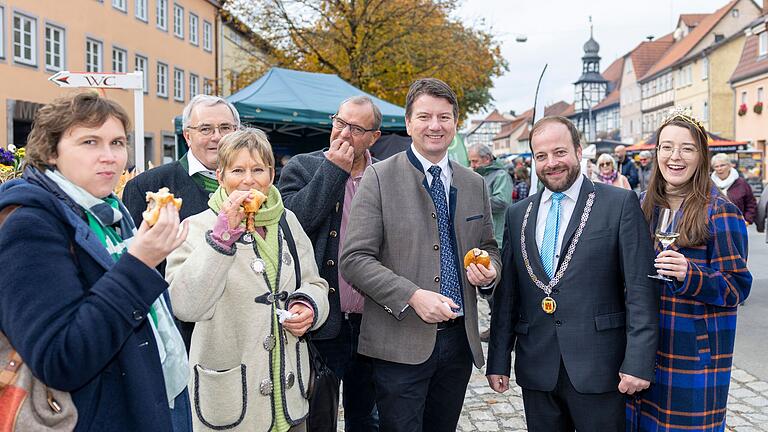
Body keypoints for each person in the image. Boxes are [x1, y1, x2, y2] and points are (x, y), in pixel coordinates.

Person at [0, 92, 192, 431]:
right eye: (90, 141)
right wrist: (140, 263)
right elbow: (60, 358)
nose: (109, 156)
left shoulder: (111, 215)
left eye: (117, 142)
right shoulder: (29, 225)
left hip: (156, 395)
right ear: (50, 152)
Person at [339, 78, 500, 432]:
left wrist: (490, 271)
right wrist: (411, 295)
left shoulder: (475, 183)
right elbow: (355, 259)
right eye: (424, 116)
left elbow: (489, 247)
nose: (435, 126)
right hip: (399, 343)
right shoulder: (379, 177)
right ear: (409, 123)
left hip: (458, 342)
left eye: (444, 117)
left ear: (456, 124)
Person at [486, 116, 659, 431]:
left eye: (559, 152)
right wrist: (498, 359)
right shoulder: (517, 214)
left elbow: (640, 290)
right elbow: (508, 295)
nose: (551, 163)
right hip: (537, 367)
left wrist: (638, 361)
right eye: (541, 156)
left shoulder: (618, 204)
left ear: (579, 151)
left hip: (601, 367)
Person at [165, 128, 329, 432]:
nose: (249, 180)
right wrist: (222, 236)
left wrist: (308, 305)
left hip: (290, 399)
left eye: (258, 170)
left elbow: (316, 284)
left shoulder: (287, 222)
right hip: (231, 403)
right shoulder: (195, 228)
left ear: (271, 174)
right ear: (219, 175)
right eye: (237, 170)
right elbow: (185, 306)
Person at [628, 110, 752, 432]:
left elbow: (737, 287)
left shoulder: (721, 211)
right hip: (642, 350)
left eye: (687, 148)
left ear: (701, 156)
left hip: (691, 356)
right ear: (656, 154)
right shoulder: (640, 205)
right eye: (667, 147)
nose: (675, 157)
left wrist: (690, 273)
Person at [278, 95, 382, 431]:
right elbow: (294, 225)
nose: (344, 133)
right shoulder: (302, 167)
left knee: (366, 416)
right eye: (340, 122)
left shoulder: (386, 175)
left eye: (355, 128)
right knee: (318, 414)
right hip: (324, 321)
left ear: (373, 136)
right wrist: (332, 171)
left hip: (375, 319)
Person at [123, 94, 240, 350]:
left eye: (225, 128)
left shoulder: (254, 187)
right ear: (187, 136)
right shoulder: (147, 187)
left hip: (239, 332)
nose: (216, 137)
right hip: (179, 335)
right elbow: (135, 265)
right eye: (205, 129)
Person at [468, 143, 513, 248]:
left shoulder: (501, 175)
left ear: (487, 159)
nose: (472, 165)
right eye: (470, 161)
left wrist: (471, 201)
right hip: (479, 237)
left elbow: (501, 203)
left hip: (497, 238)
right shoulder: (476, 175)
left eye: (475, 161)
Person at [711, 152, 757, 224]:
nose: (719, 168)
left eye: (722, 165)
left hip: (739, 225)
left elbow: (751, 203)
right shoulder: (710, 184)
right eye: (716, 166)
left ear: (729, 166)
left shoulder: (741, 183)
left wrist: (747, 220)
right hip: (715, 227)